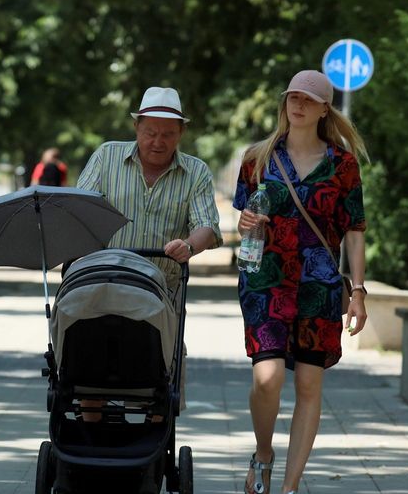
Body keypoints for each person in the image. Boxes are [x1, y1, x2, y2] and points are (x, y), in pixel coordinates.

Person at [234, 70, 369, 494]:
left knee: (309, 383)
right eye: (294, 97)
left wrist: (360, 292)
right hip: (266, 278)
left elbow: (355, 229)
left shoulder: (343, 164)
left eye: (309, 100)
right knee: (267, 377)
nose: (299, 105)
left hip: (320, 284)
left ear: (325, 108)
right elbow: (245, 218)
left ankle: (290, 487)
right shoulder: (258, 157)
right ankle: (263, 454)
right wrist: (244, 222)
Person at [76, 86, 223, 419]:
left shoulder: (196, 172)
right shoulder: (107, 156)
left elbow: (208, 227)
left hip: (160, 290)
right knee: (87, 358)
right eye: (150, 132)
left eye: (168, 134)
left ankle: (153, 439)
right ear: (136, 128)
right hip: (104, 280)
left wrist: (188, 245)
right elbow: (81, 208)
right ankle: (91, 428)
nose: (158, 141)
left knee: (161, 370)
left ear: (181, 133)